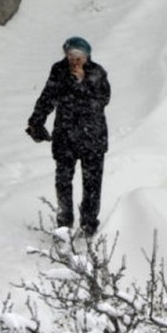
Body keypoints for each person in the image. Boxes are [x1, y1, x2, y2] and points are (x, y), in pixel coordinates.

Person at [26, 35, 111, 236]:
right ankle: (64, 224)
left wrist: (82, 82)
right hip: (65, 136)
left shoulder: (97, 73)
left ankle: (89, 225)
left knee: (92, 183)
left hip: (92, 138)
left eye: (79, 56)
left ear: (87, 57)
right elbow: (48, 97)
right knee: (63, 180)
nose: (75, 60)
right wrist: (36, 120)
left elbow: (101, 101)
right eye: (71, 55)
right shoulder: (59, 70)